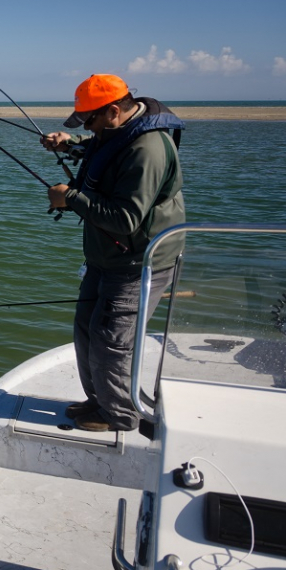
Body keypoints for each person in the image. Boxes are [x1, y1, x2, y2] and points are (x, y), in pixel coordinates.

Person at [40, 74, 185, 432]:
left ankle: (119, 415)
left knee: (111, 341)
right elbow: (101, 151)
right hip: (105, 258)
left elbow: (125, 219)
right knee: (86, 330)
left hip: (138, 263)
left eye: (89, 120)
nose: (87, 127)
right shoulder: (118, 132)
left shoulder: (147, 149)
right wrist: (70, 143)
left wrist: (69, 198)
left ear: (114, 111)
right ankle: (99, 401)